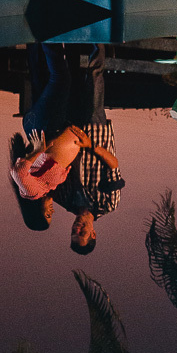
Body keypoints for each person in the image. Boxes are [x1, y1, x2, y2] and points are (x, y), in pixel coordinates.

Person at [52, 45, 124, 253]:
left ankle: (72, 37)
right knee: (94, 76)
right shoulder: (108, 204)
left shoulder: (63, 198)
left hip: (70, 127)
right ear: (93, 233)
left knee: (72, 75)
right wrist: (90, 145)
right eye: (81, 233)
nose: (77, 228)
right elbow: (113, 164)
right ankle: (98, 38)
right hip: (95, 130)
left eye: (73, 232)